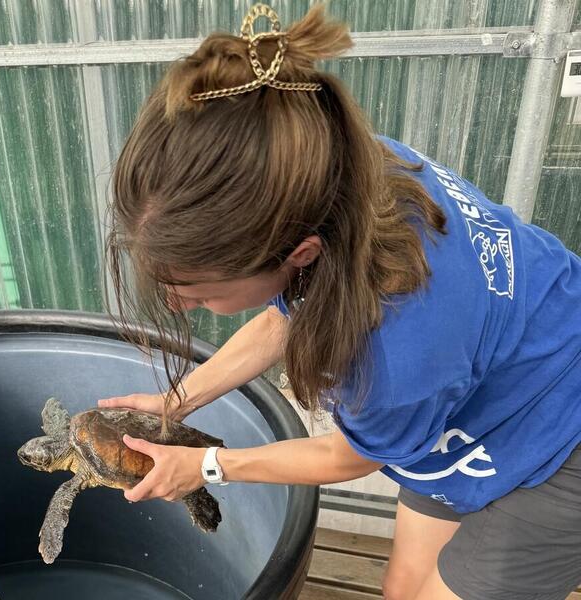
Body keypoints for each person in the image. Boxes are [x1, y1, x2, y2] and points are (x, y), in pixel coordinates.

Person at [98, 4, 581, 599]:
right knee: (404, 590)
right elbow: (286, 315)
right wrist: (177, 401)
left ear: (298, 253)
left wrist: (208, 467)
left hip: (561, 440)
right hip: (477, 386)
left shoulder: (398, 355)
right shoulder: (333, 171)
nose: (174, 307)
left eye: (196, 292)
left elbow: (353, 456)